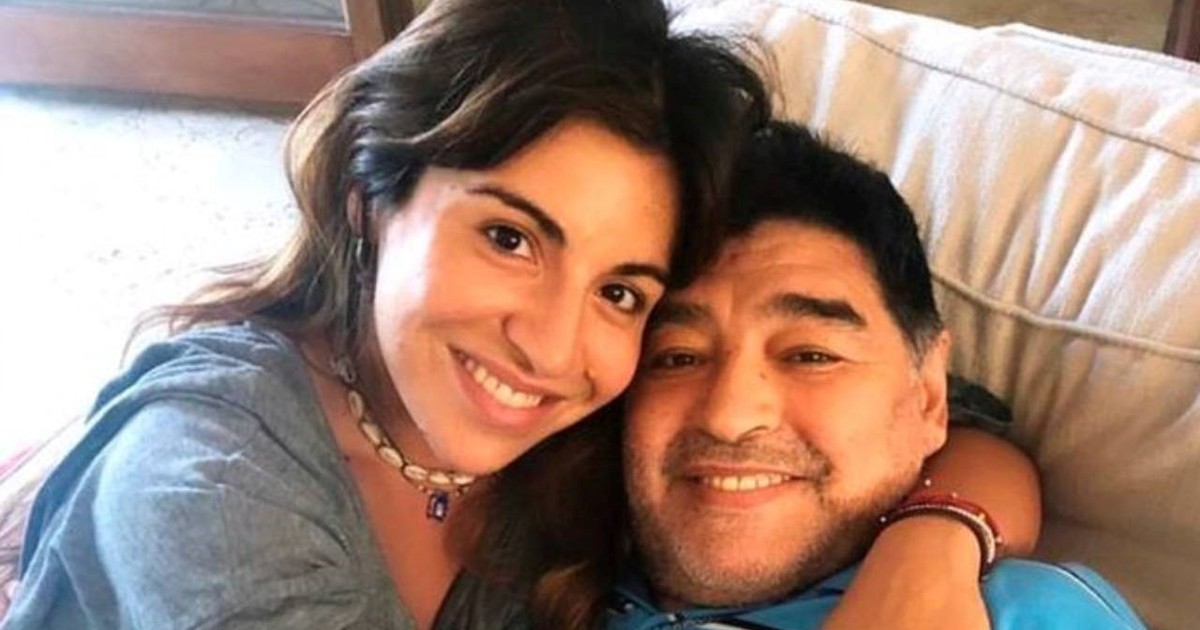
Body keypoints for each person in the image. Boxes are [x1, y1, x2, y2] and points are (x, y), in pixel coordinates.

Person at [2, 2, 1038, 628]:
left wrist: (929, 551)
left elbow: (944, 421)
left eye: (621, 290)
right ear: (370, 200)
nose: (550, 345)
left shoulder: (598, 416)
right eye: (509, 237)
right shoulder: (208, 485)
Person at [611, 120, 1147, 629]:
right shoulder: (567, 555)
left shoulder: (1015, 615)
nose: (729, 416)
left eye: (811, 356)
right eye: (677, 357)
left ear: (929, 396)